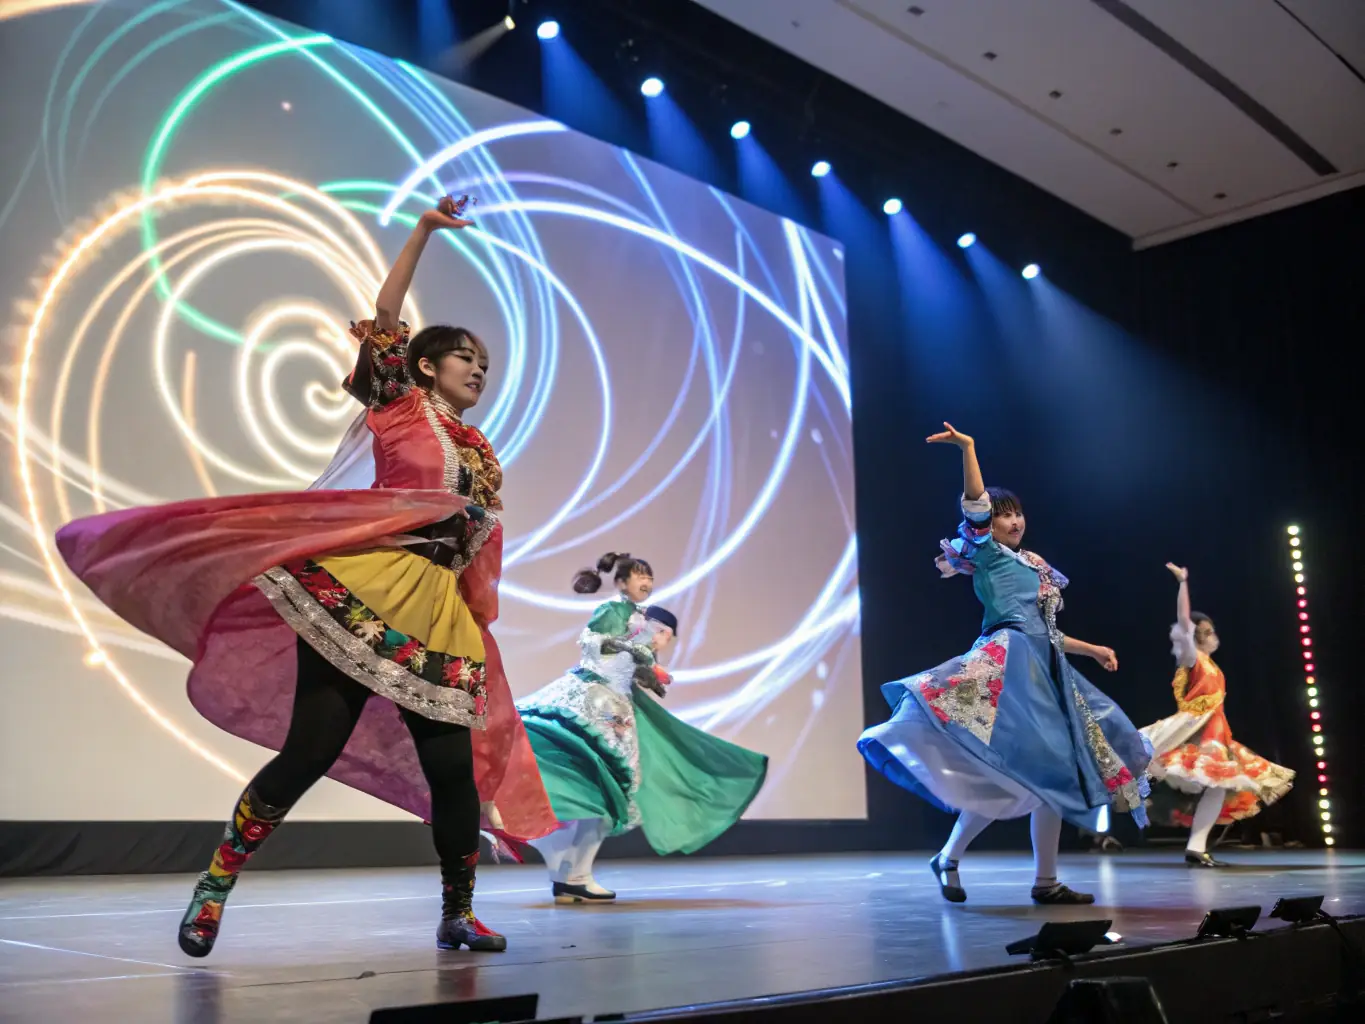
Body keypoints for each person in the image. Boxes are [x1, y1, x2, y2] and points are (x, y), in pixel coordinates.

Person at [54, 195, 555, 956]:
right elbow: (386, 312)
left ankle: (458, 913)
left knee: (452, 773)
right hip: (370, 591)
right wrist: (422, 231)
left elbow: (479, 537)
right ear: (425, 366)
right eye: (466, 359)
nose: (479, 370)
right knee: (310, 750)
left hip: (440, 612)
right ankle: (214, 886)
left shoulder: (480, 447)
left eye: (484, 364)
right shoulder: (399, 407)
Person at [858, 423, 1151, 905]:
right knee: (1019, 776)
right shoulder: (988, 555)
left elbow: (1048, 633)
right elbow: (974, 502)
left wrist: (1093, 649)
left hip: (1045, 670)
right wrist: (969, 450)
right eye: (1002, 516)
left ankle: (1044, 881)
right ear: (988, 526)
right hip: (1007, 668)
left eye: (1016, 513)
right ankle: (952, 856)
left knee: (1050, 776)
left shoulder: (1034, 564)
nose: (1013, 522)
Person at [518, 554, 768, 902]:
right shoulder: (615, 610)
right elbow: (590, 644)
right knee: (608, 796)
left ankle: (571, 875)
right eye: (639, 576)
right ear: (621, 582)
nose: (646, 581)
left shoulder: (636, 618)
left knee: (603, 796)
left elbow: (631, 663)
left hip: (615, 707)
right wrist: (632, 648)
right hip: (596, 703)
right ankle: (573, 874)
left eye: (649, 576)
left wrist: (648, 667)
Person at [1140, 564, 1295, 866]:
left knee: (1219, 786)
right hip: (1196, 736)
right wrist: (1183, 583)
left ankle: (1197, 847)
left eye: (1211, 629)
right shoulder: (1191, 658)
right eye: (1205, 630)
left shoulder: (1212, 664)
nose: (1211, 634)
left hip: (1217, 735)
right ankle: (1132, 789)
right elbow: (1184, 622)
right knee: (1187, 778)